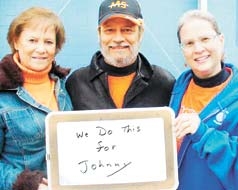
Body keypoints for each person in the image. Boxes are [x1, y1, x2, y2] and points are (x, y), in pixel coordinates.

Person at [0, 7, 72, 190]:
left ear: (56, 48)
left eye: (48, 42)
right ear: (16, 41)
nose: (41, 49)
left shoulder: (64, 86)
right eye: (32, 40)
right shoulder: (2, 94)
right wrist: (28, 184)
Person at [170, 9, 238, 190]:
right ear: (182, 51)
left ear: (221, 40)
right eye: (189, 43)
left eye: (205, 39)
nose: (198, 49)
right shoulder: (178, 88)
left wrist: (203, 133)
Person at [66, 0, 175, 110]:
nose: (118, 39)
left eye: (127, 30)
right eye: (110, 30)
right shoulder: (76, 83)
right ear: (99, 34)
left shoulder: (164, 83)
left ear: (140, 33)